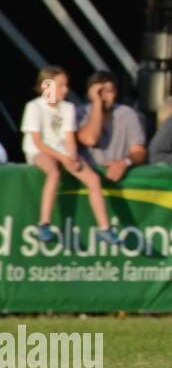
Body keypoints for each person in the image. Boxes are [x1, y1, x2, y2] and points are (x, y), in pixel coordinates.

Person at [22, 66, 121, 245]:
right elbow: (38, 142)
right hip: (39, 152)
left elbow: (69, 139)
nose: (65, 90)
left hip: (64, 152)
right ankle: (44, 223)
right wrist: (63, 158)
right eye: (61, 86)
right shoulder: (34, 107)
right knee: (54, 173)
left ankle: (105, 229)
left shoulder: (68, 108)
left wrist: (73, 157)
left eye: (66, 85)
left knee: (93, 179)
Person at [76, 70, 146, 182]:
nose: (103, 97)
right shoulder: (80, 113)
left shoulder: (128, 114)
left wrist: (124, 163)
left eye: (108, 91)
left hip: (118, 180)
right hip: (85, 180)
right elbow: (90, 139)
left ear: (116, 93)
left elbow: (139, 152)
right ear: (90, 93)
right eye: (99, 92)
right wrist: (97, 103)